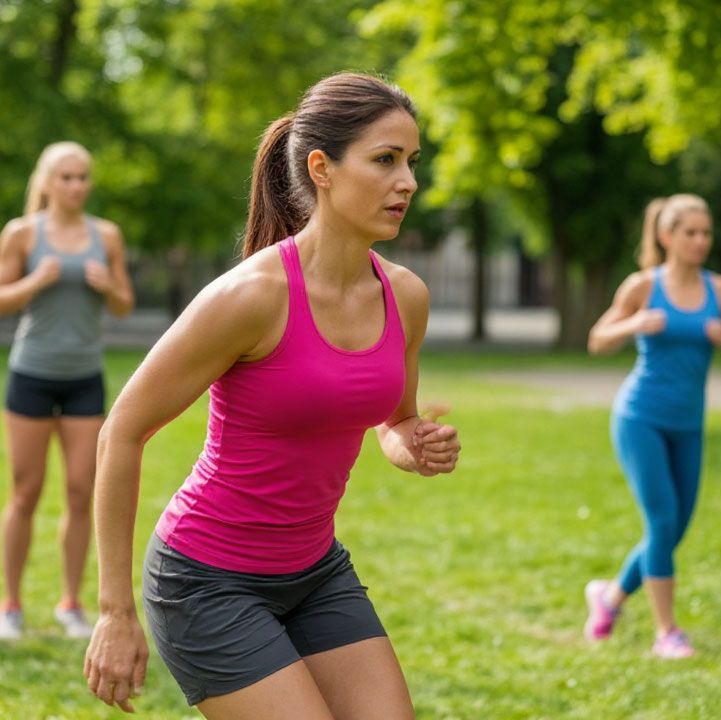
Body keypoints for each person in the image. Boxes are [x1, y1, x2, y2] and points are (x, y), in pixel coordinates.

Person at [82, 72, 461, 717]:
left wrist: (414, 444)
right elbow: (122, 430)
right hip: (205, 580)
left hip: (315, 572)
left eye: (412, 162)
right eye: (385, 160)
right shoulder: (250, 297)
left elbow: (393, 424)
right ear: (322, 168)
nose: (408, 183)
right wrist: (115, 611)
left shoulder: (405, 296)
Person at [583, 194, 721, 658]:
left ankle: (610, 597)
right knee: (660, 522)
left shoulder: (720, 291)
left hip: (688, 424)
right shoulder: (643, 285)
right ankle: (667, 633)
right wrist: (635, 322)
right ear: (667, 236)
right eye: (690, 232)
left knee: (674, 530)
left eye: (705, 233)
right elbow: (598, 340)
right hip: (641, 418)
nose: (700, 241)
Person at [0, 142, 134, 640]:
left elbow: (124, 306)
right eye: (66, 177)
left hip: (83, 377)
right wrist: (35, 282)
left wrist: (107, 287)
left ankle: (70, 602)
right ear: (47, 182)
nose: (76, 185)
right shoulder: (21, 234)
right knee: (25, 492)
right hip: (30, 373)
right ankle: (10, 604)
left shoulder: (105, 235)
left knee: (79, 491)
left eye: (83, 177)